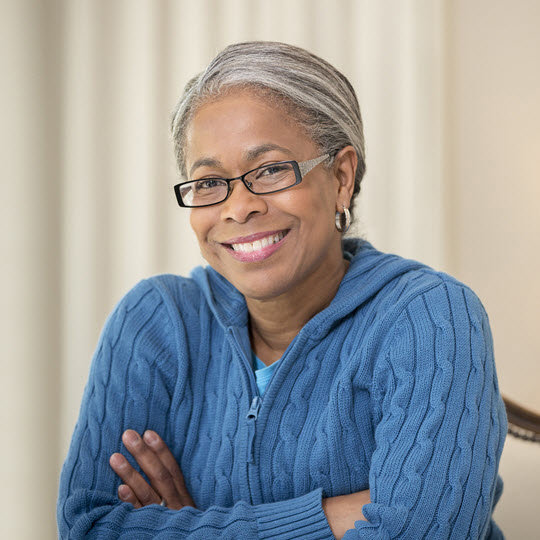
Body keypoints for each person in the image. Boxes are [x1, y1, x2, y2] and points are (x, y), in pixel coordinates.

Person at [57, 41, 507, 539]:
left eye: (270, 170)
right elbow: (89, 525)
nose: (238, 208)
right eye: (208, 182)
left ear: (340, 177)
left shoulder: (431, 317)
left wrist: (186, 526)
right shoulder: (156, 320)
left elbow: (419, 533)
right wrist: (328, 519)